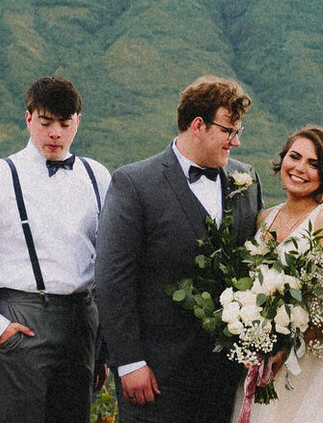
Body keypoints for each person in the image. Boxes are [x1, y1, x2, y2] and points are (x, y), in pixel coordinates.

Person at [0, 75, 114, 423]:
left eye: (64, 124)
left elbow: (109, 262)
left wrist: (102, 345)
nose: (55, 134)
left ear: (78, 121)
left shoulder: (97, 176)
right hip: (21, 314)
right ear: (29, 117)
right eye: (46, 123)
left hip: (81, 319)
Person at [93, 76, 265, 423]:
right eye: (229, 131)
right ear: (198, 125)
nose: (236, 141)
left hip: (224, 375)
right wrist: (129, 362)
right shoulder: (134, 183)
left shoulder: (246, 180)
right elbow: (112, 281)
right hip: (156, 374)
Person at [236, 126, 323, 423]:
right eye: (295, 157)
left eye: (314, 164)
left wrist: (290, 344)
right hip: (267, 364)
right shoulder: (265, 218)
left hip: (315, 369)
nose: (300, 168)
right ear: (282, 160)